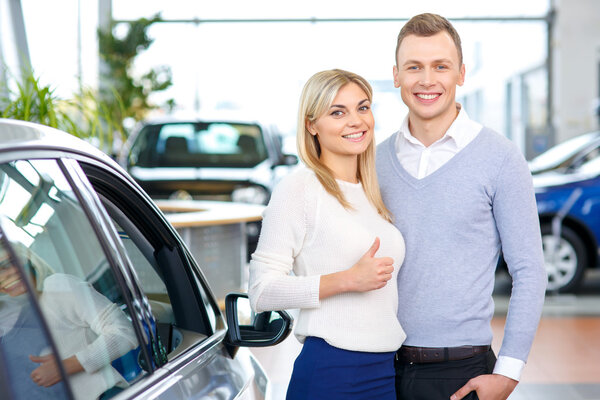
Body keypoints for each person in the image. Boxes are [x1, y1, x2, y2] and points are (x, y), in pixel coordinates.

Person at [375, 13, 547, 400]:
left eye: (441, 66)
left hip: (460, 372)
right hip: (377, 367)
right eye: (413, 67)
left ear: (461, 73)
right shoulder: (373, 161)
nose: (427, 79)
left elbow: (529, 270)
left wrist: (508, 372)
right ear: (396, 75)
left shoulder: (500, 157)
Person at [248, 69, 406, 399]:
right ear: (311, 125)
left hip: (385, 370)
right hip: (332, 372)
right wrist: (348, 280)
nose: (356, 121)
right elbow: (261, 291)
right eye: (338, 112)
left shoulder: (374, 192)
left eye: (363, 108)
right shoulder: (300, 188)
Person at [0, 243, 138, 400]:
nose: (3, 276)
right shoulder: (12, 316)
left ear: (27, 259)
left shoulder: (57, 286)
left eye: (7, 264)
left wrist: (65, 366)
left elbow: (125, 332)